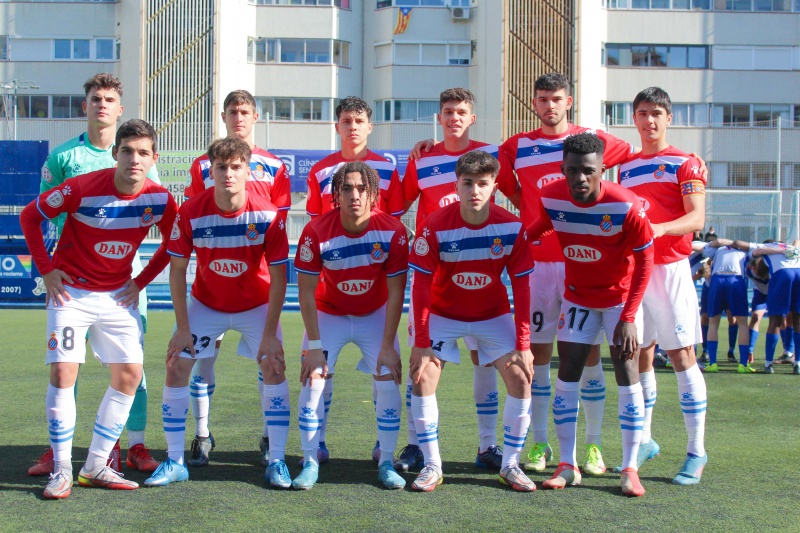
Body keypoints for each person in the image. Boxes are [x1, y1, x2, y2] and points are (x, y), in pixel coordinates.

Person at [20, 119, 178, 499]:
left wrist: (141, 281)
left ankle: (94, 467)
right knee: (63, 372)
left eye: (143, 153)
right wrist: (47, 270)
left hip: (117, 296)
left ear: (154, 159)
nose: (135, 159)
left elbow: (174, 243)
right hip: (71, 294)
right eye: (127, 151)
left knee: (130, 376)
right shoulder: (81, 187)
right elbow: (30, 216)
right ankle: (61, 471)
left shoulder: (160, 200)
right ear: (115, 154)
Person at [497, 73, 633, 475]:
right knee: (538, 354)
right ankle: (540, 442)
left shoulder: (591, 140)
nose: (549, 105)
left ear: (568, 102)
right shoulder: (515, 146)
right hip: (538, 264)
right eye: (542, 99)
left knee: (587, 354)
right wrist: (530, 207)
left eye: (556, 98)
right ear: (534, 103)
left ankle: (592, 446)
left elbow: (634, 153)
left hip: (584, 263)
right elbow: (506, 185)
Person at [144, 137, 290, 488]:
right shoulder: (191, 211)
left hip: (255, 305)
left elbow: (280, 277)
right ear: (211, 171)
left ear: (248, 170)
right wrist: (182, 327)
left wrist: (270, 332)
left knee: (274, 365)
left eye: (236, 167)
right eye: (221, 167)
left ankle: (277, 460)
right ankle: (175, 461)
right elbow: (177, 271)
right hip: (207, 305)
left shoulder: (268, 214)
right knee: (176, 366)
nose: (228, 173)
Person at [526, 133, 654, 497]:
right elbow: (542, 226)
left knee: (627, 374)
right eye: (572, 170)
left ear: (602, 170)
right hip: (578, 299)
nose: (579, 178)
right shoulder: (551, 196)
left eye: (588, 170)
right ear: (562, 169)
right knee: (567, 374)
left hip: (619, 302)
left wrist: (628, 316)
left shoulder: (626, 205)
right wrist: (510, 243)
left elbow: (646, 260)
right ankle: (567, 465)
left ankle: (629, 468)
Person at [396, 88, 515, 473]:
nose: (454, 118)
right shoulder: (422, 159)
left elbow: (518, 197)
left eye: (461, 112)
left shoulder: (491, 155)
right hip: (435, 284)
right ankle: (415, 446)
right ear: (439, 117)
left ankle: (487, 446)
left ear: (472, 118)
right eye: (448, 111)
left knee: (485, 362)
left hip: (481, 281)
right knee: (422, 365)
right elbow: (397, 207)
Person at [408, 151, 536, 492]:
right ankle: (432, 465)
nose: (474, 191)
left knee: (522, 377)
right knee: (423, 375)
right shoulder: (434, 225)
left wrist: (524, 344)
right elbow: (420, 286)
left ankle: (510, 465)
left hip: (492, 315)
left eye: (482, 183)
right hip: (444, 314)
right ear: (456, 186)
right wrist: (421, 341)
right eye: (467, 183)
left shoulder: (511, 227)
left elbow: (522, 288)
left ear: (494, 186)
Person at [182, 89, 292, 468]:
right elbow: (194, 217)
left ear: (255, 116)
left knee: (269, 363)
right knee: (202, 360)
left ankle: (269, 437)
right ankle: (201, 435)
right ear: (224, 116)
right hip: (212, 285)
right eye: (232, 111)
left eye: (245, 111)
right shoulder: (202, 165)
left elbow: (277, 228)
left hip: (257, 287)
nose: (239, 117)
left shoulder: (275, 166)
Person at [292, 161, 408, 490]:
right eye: (347, 188)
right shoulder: (316, 231)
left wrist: (388, 345)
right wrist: (315, 347)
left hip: (374, 314)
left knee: (388, 378)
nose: (354, 195)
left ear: (374, 194)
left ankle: (386, 461)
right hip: (330, 313)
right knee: (313, 378)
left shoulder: (393, 231)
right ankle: (311, 459)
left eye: (362, 188)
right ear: (336, 194)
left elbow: (396, 292)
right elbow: (305, 291)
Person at [302, 96, 404, 464]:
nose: (353, 126)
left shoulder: (387, 169)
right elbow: (319, 226)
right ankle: (314, 451)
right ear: (337, 126)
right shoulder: (321, 171)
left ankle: (385, 452)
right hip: (331, 295)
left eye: (359, 120)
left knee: (387, 371)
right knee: (315, 374)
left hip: (373, 289)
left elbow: (391, 224)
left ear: (370, 126)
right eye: (346, 120)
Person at [617, 87, 708, 485]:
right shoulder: (626, 166)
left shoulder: (685, 163)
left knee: (682, 355)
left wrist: (660, 228)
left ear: (668, 118)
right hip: (635, 271)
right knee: (640, 354)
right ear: (634, 118)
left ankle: (696, 451)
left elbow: (697, 218)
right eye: (642, 113)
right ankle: (646, 440)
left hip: (670, 269)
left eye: (656, 113)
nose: (649, 120)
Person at [701, 239, 752, 372]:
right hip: (735, 279)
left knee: (713, 322)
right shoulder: (746, 250)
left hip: (717, 280)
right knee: (742, 323)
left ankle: (712, 363)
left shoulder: (718, 249)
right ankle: (743, 364)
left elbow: (712, 244)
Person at [751, 241, 800, 375]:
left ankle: (768, 364)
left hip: (782, 273)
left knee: (775, 320)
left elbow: (755, 252)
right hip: (799, 271)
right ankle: (798, 364)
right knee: (798, 320)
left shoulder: (765, 247)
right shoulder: (790, 247)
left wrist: (778, 251)